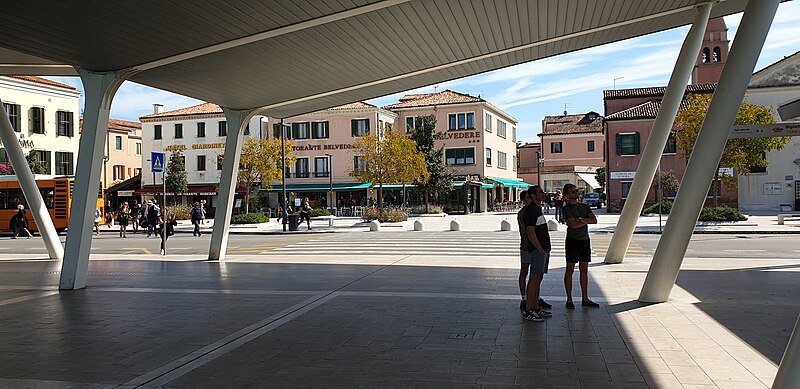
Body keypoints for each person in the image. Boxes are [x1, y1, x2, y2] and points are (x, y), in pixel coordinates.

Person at [562, 183, 599, 309]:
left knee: (584, 270)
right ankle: (569, 299)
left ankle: (585, 298)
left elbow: (594, 220)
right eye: (573, 192)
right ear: (567, 195)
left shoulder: (584, 206)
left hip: (585, 240)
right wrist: (583, 221)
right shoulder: (566, 208)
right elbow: (571, 224)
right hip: (572, 241)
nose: (576, 193)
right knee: (570, 270)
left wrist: (580, 220)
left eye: (576, 191)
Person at [521, 186, 552, 322]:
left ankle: (535, 307)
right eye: (540, 192)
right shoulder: (531, 210)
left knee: (538, 278)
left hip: (543, 249)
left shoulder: (537, 209)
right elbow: (530, 231)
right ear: (533, 196)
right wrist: (539, 248)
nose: (543, 194)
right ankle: (528, 310)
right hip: (537, 250)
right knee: (534, 278)